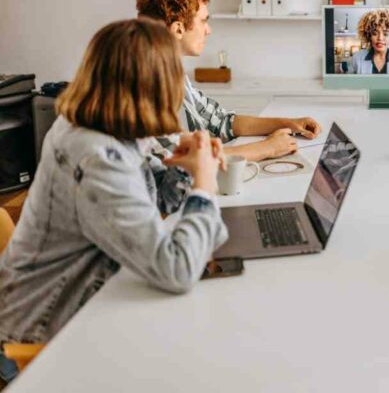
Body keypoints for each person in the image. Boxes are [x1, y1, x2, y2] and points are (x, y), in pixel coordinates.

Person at [0, 19, 229, 382]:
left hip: (86, 302)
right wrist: (204, 181)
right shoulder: (95, 156)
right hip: (45, 337)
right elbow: (177, 269)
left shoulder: (107, 127)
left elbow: (162, 202)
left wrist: (185, 167)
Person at [136, 0, 322, 162]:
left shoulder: (172, 73)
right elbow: (177, 162)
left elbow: (218, 121)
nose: (208, 30)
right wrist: (266, 149)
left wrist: (289, 123)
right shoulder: (144, 84)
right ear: (178, 29)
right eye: (203, 21)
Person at [349, 8, 389, 74]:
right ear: (368, 35)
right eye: (375, 33)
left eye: (385, 34)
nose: (380, 38)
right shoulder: (357, 58)